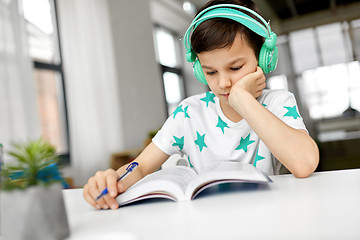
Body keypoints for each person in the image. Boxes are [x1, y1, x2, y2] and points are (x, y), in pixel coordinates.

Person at [83, 0, 319, 210]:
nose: (224, 83)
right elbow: (142, 167)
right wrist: (112, 179)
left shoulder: (277, 102)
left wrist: (243, 99)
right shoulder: (189, 112)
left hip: (264, 215)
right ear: (198, 69)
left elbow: (304, 164)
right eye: (211, 72)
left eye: (235, 68)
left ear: (264, 58)